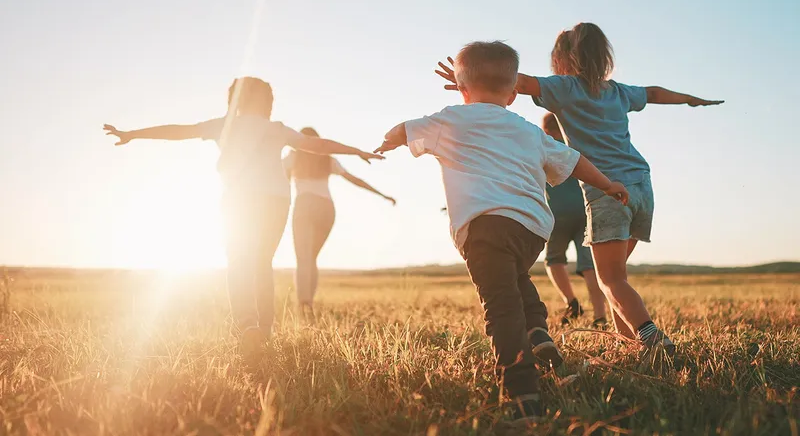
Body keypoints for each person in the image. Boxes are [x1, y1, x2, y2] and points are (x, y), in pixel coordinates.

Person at [436, 23, 722, 358]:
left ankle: (652, 338)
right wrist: (689, 99)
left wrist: (469, 79)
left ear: (562, 59)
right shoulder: (617, 91)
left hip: (608, 191)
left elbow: (516, 82)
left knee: (610, 280)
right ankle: (629, 346)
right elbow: (655, 93)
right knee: (616, 277)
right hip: (642, 187)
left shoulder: (565, 87)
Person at [378, 41, 629, 422]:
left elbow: (403, 130)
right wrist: (608, 184)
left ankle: (523, 394)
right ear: (512, 95)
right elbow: (574, 161)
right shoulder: (528, 130)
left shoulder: (450, 119)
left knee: (501, 307)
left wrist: (388, 141)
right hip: (531, 230)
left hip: (484, 227)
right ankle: (538, 331)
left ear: (462, 90)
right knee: (514, 279)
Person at [103, 76, 382, 360]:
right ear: (268, 103)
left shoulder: (225, 125)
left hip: (240, 199)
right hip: (277, 200)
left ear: (235, 100)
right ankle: (265, 331)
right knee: (263, 263)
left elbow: (178, 131)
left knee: (239, 261)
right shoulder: (276, 129)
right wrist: (355, 151)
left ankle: (248, 325)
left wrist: (132, 134)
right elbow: (316, 145)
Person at [284, 127, 396, 320]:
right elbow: (355, 180)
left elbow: (278, 179)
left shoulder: (293, 157)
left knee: (303, 259)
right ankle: (308, 305)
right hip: (326, 208)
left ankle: (304, 306)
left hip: (305, 205)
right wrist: (382, 195)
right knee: (311, 259)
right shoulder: (328, 159)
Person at [540, 112, 607, 329]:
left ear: (546, 129)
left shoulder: (545, 148)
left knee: (554, 259)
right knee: (590, 265)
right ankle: (600, 316)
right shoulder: (578, 146)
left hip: (557, 214)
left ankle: (572, 302)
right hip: (586, 211)